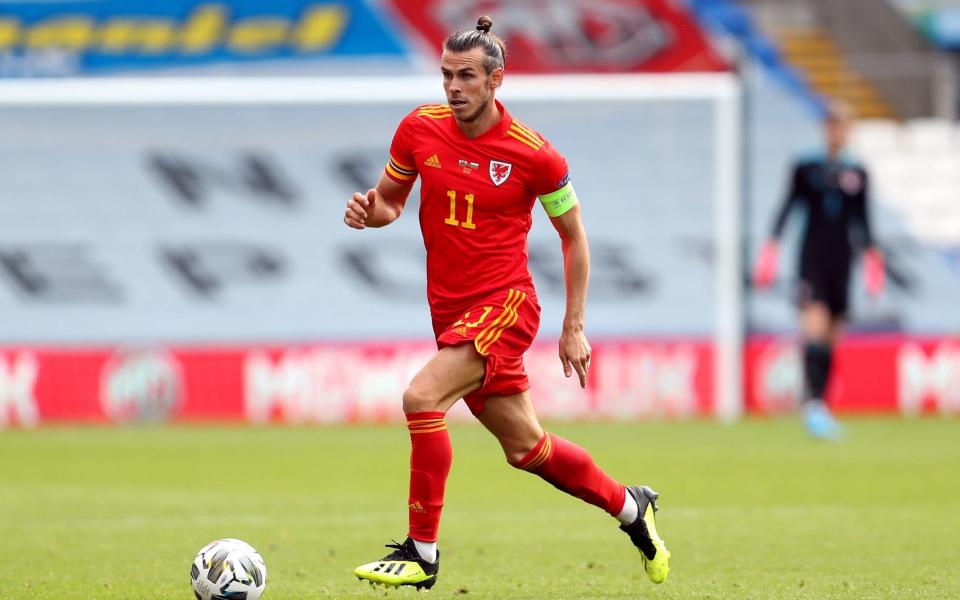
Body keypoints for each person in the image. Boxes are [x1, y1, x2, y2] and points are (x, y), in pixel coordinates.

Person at [344, 15, 669, 591]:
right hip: (451, 312)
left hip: (505, 306)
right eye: (446, 75)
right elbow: (392, 203)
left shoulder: (535, 155)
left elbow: (574, 237)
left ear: (496, 80)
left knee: (421, 398)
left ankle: (422, 552)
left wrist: (574, 327)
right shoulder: (418, 129)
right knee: (527, 449)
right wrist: (372, 214)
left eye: (466, 76)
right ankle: (630, 508)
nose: (452, 87)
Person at [754, 101, 885, 439]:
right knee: (814, 324)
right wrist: (771, 248)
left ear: (848, 130)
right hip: (811, 259)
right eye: (831, 124)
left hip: (842, 262)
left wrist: (872, 261)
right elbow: (787, 208)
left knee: (832, 334)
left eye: (841, 125)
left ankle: (821, 405)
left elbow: (863, 221)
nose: (835, 131)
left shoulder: (858, 173)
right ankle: (812, 405)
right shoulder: (806, 167)